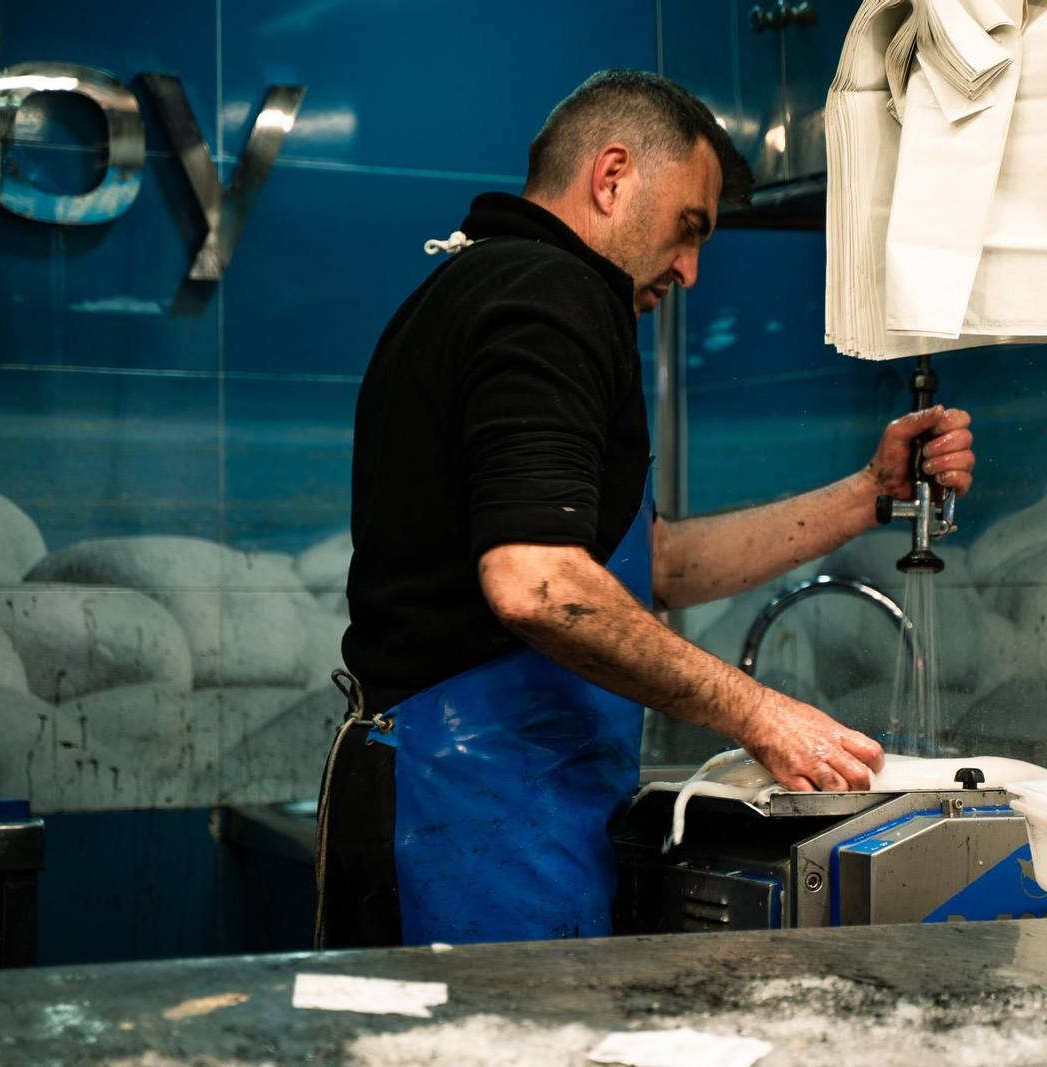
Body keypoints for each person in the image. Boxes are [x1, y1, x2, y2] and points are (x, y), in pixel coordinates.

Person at [318, 69, 976, 949]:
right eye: (687, 230)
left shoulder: (480, 286)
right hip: (466, 813)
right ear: (613, 174)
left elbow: (651, 565)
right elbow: (540, 584)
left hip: (453, 799)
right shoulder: (549, 299)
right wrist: (758, 711)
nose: (690, 270)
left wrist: (871, 495)